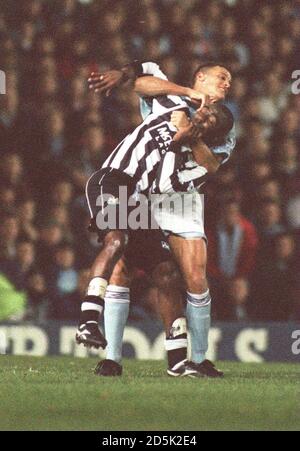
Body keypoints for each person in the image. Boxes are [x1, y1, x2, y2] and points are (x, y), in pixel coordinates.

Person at [77, 61, 234, 378]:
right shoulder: (172, 98)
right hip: (130, 188)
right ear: (200, 78)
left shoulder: (225, 129)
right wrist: (128, 75)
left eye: (229, 80)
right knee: (121, 264)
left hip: (178, 198)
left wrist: (188, 137)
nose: (228, 83)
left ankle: (192, 359)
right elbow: (142, 79)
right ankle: (109, 353)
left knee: (187, 276)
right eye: (222, 77)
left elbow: (210, 167)